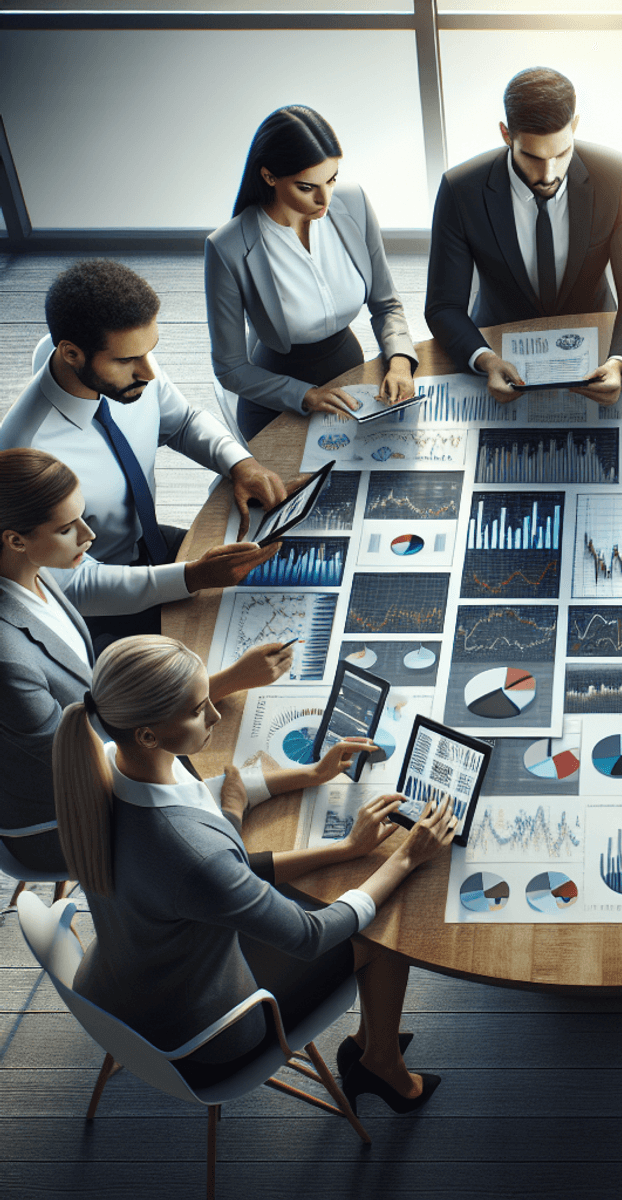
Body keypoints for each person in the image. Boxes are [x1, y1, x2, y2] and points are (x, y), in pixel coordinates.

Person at [55, 635, 458, 1110]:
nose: (216, 716)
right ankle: (380, 1063)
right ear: (148, 734)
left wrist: (317, 793)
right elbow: (306, 934)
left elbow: (213, 849)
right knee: (383, 930)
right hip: (209, 1028)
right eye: (198, 709)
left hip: (125, 983)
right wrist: (406, 857)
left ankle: (373, 1042)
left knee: (355, 895)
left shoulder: (104, 766)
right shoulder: (194, 857)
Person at [0, 448, 288, 872]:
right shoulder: (10, 662)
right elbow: (78, 765)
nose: (88, 536)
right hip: (64, 820)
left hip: (110, 757)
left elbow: (101, 709)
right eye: (67, 528)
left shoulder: (33, 570)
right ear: (16, 539)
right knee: (230, 854)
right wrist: (213, 809)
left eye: (83, 517)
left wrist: (219, 684)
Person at [0, 259, 287, 564]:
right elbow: (60, 580)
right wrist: (189, 577)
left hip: (151, 543)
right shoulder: (26, 454)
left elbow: (183, 423)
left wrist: (241, 464)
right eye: (127, 360)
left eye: (150, 351)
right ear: (71, 354)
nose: (149, 373)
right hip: (101, 584)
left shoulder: (122, 358)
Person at [425, 66, 622, 407]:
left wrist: (619, 361)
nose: (549, 174)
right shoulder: (460, 189)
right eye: (533, 157)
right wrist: (485, 359)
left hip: (599, 342)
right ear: (507, 134)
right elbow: (443, 305)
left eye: (561, 154)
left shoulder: (617, 175)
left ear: (575, 127)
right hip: (499, 340)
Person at [205, 105, 419, 442]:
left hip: (352, 376)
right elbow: (231, 369)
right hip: (277, 400)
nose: (325, 198)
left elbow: (386, 305)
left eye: (331, 179)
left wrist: (400, 361)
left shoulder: (354, 203)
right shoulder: (228, 246)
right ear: (269, 176)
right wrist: (305, 395)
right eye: (307, 187)